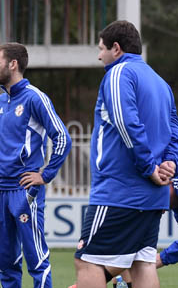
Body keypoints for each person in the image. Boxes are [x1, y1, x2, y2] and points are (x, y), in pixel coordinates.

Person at [74, 20, 178, 288]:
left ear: (116, 48)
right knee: (141, 263)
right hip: (153, 197)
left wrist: (149, 168)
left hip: (120, 191)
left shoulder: (119, 73)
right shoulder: (160, 83)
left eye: (101, 49)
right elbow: (173, 131)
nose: (99, 56)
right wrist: (169, 163)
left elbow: (126, 123)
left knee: (87, 260)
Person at [0, 42, 71, 288]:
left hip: (24, 189)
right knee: (6, 263)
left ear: (12, 64)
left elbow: (63, 137)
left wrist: (45, 175)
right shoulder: (0, 102)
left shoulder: (35, 97)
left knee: (36, 260)